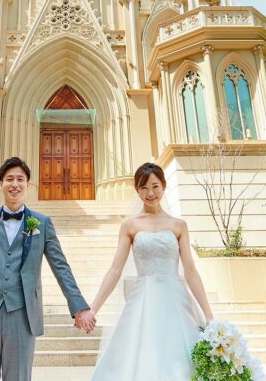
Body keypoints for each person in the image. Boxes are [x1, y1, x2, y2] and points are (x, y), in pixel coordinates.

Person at [0, 156, 97, 381]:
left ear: (27, 184)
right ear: (1, 183)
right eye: (9, 179)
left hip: (22, 315)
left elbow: (60, 266)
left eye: (20, 179)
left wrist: (79, 306)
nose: (15, 184)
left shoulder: (41, 223)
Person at [89, 162, 215, 380]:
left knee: (180, 357)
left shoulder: (178, 225)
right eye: (144, 188)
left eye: (155, 186)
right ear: (137, 191)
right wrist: (93, 309)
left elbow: (191, 270)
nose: (150, 193)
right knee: (141, 358)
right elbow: (114, 270)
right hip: (143, 298)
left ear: (164, 186)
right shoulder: (130, 225)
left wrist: (209, 315)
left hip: (175, 298)